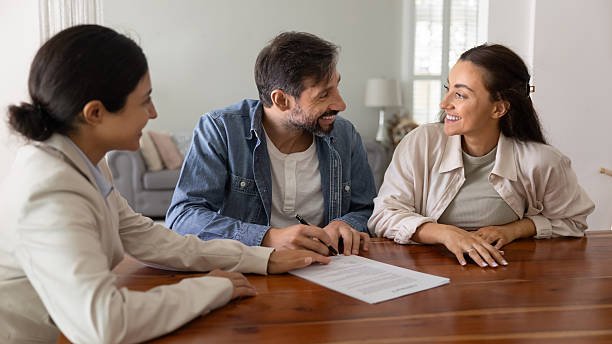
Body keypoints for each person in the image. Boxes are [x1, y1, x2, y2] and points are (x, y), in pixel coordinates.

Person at [0, 25, 330, 344]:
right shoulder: (50, 189)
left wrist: (262, 258)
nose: (154, 113)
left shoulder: (85, 160)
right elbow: (105, 324)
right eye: (145, 101)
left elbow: (149, 237)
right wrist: (211, 288)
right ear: (95, 113)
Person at [368, 43, 594, 268]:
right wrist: (447, 234)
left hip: (505, 275)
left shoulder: (542, 161)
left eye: (460, 95)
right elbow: (383, 215)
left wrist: (514, 230)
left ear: (498, 109)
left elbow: (572, 222)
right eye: (448, 89)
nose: (444, 104)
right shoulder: (420, 143)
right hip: (427, 275)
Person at [166, 32, 377, 256]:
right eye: (324, 94)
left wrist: (347, 224)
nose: (341, 104)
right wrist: (268, 238)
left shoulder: (344, 134)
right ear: (281, 100)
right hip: (249, 269)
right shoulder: (221, 129)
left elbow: (366, 208)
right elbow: (183, 216)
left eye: (337, 86)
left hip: (327, 267)